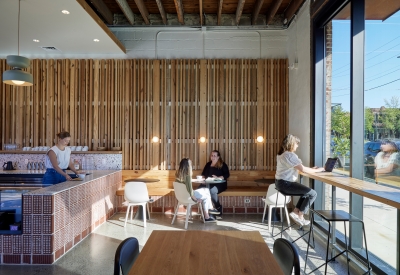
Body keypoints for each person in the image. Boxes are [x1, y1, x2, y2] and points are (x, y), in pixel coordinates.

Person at [275, 134, 324, 226]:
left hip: (280, 183)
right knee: (313, 193)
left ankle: (296, 212)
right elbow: (303, 169)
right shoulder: (289, 155)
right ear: (291, 144)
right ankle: (300, 215)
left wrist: (311, 169)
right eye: (297, 144)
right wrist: (318, 170)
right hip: (286, 184)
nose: (297, 146)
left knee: (306, 192)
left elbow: (298, 167)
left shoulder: (282, 154)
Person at [176, 158, 220, 222]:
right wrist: (196, 200)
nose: (191, 166)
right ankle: (208, 213)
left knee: (206, 191)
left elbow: (187, 188)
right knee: (206, 193)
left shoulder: (178, 175)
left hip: (181, 197)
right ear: (187, 166)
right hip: (189, 197)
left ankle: (208, 213)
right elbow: (191, 192)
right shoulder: (187, 177)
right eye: (190, 164)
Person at [199, 150, 230, 218]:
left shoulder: (222, 164)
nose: (213, 157)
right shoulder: (208, 164)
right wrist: (203, 179)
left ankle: (218, 207)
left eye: (214, 156)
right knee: (200, 190)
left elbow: (227, 175)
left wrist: (218, 177)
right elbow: (203, 174)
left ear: (218, 157)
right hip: (208, 183)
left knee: (212, 191)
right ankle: (206, 211)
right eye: (212, 155)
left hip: (219, 184)